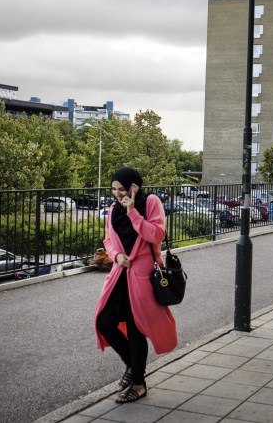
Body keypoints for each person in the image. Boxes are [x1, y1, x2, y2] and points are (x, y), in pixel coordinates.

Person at [94, 167, 178, 403]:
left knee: (135, 328)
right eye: (114, 189)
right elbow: (108, 239)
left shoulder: (150, 203)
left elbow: (157, 235)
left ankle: (139, 383)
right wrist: (116, 255)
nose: (117, 194)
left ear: (134, 187)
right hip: (119, 273)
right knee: (105, 321)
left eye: (122, 189)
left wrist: (133, 212)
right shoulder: (112, 209)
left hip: (142, 276)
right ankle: (132, 365)